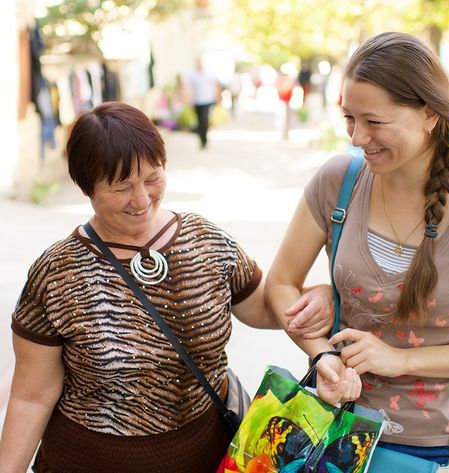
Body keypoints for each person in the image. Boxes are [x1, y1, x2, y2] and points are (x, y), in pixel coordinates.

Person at [0, 102, 334, 473]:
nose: (142, 200)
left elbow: (269, 308)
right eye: (121, 187)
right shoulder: (57, 272)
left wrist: (322, 295)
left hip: (206, 456)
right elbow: (32, 397)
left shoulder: (205, 239)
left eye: (153, 178)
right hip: (87, 460)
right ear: (86, 186)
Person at [265, 32, 449, 473]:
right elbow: (280, 284)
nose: (358, 136)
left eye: (374, 121)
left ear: (430, 113)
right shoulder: (339, 180)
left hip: (429, 449)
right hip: (332, 432)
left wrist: (401, 360)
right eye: (349, 118)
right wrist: (322, 357)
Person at [186, 56, 219, 149]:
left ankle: (204, 140)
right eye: (197, 62)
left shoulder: (209, 73)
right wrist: (188, 99)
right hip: (197, 102)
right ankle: (201, 139)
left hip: (208, 100)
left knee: (204, 120)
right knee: (200, 121)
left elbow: (216, 85)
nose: (199, 64)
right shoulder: (192, 74)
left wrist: (218, 97)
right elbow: (188, 87)